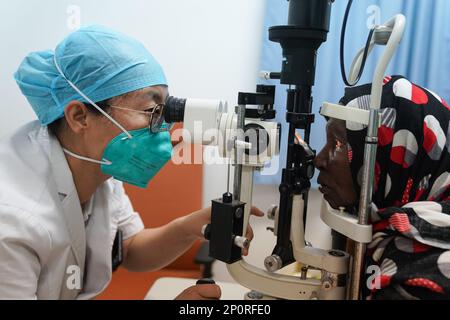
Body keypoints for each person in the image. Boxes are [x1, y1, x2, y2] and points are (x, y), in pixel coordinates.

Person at [0, 25, 263, 300]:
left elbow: (131, 249)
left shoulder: (96, 165)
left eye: (165, 110)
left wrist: (187, 227)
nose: (165, 127)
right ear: (79, 116)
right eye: (152, 111)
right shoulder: (12, 218)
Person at [314, 75, 450, 299]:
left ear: (391, 154)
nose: (319, 160)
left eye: (337, 144)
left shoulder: (423, 276)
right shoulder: (386, 235)